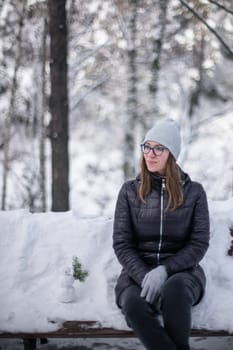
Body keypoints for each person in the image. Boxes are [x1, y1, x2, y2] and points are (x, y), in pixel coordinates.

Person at [113, 118, 210, 350]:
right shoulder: (129, 191)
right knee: (133, 305)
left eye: (159, 148)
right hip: (137, 274)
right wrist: (145, 275)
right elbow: (122, 244)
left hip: (183, 274)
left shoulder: (194, 192)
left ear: (172, 154)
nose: (150, 154)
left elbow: (199, 243)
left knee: (174, 291)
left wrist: (165, 270)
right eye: (147, 146)